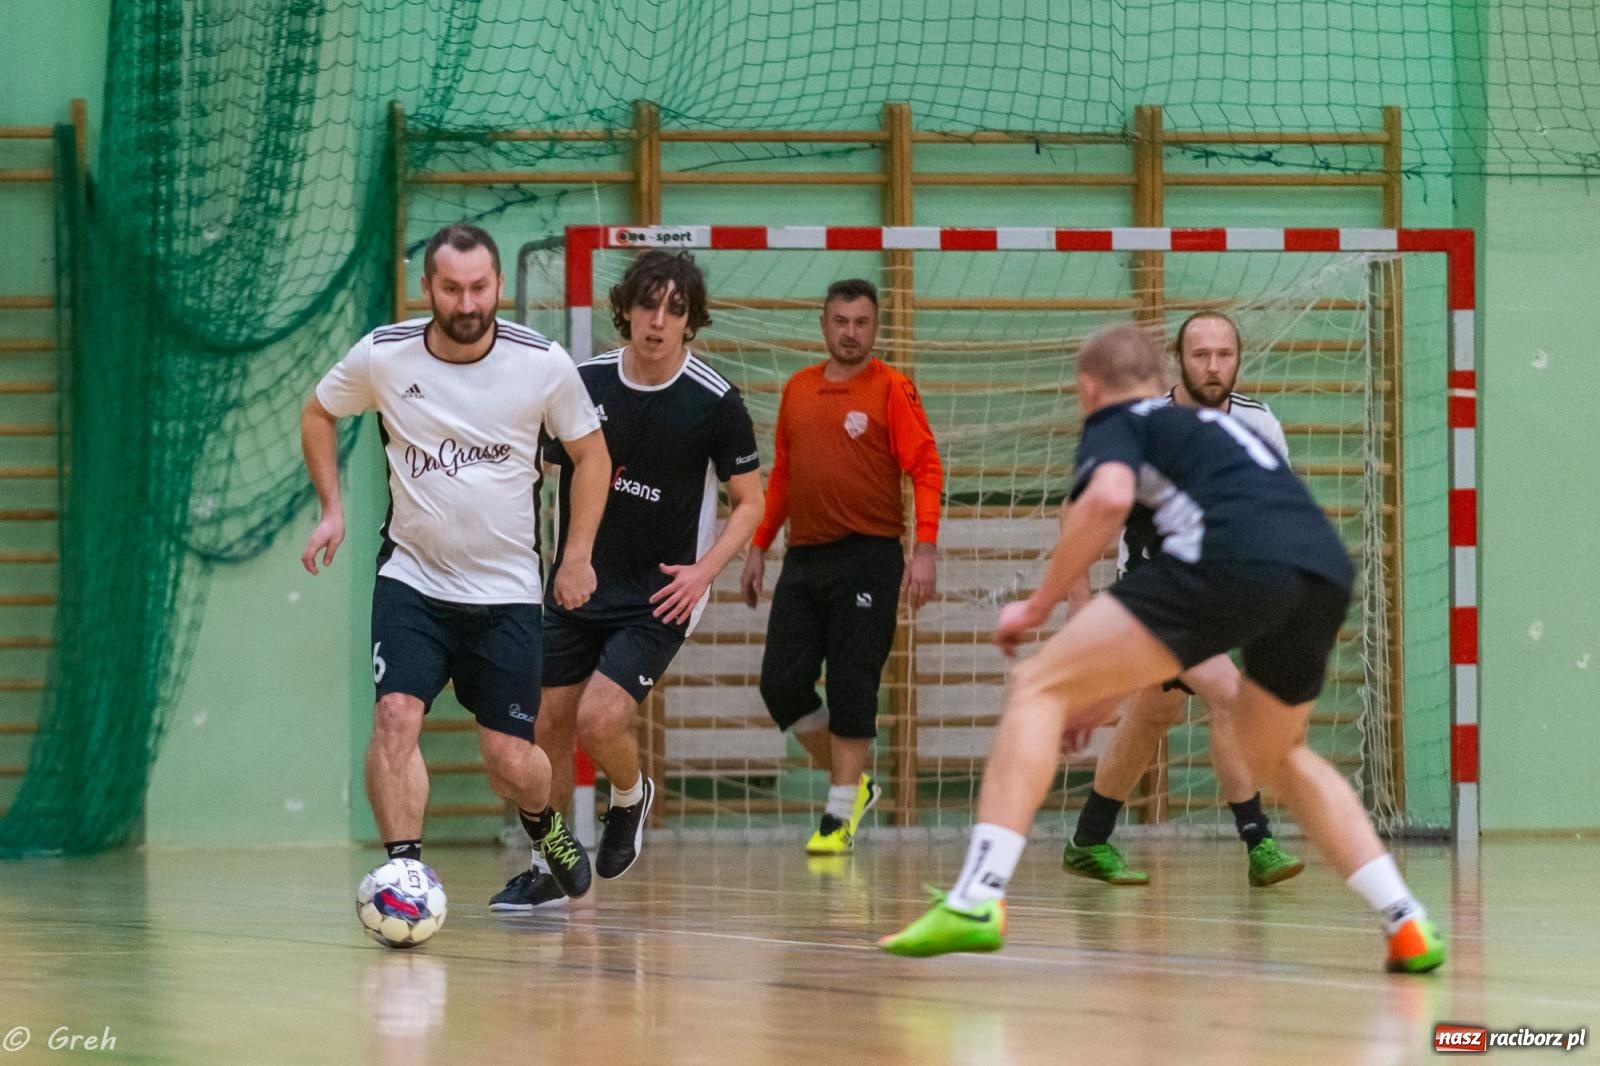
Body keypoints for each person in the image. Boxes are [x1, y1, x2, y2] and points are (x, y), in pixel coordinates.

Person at [879, 323, 1445, 974]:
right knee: (1280, 755)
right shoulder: (1228, 427)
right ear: (1161, 373)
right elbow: (1190, 619)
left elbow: (1109, 499)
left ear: (1088, 388)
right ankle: (1405, 920)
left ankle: (978, 897)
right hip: (1319, 570)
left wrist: (1037, 606)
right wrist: (1106, 684)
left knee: (1036, 685)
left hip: (1223, 562)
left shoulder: (1122, 419)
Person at [300, 223, 609, 905]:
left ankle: (542, 820)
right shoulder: (385, 355)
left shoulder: (542, 363)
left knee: (508, 760)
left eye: (479, 287)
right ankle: (404, 874)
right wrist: (332, 508)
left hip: (504, 593)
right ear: (428, 288)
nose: (466, 303)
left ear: (497, 285)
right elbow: (319, 412)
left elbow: (593, 456)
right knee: (396, 717)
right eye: (451, 288)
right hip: (413, 578)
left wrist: (576, 554)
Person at [491, 250, 764, 911]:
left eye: (674, 308)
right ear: (626, 311)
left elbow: (749, 501)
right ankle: (549, 867)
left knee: (598, 717)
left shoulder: (715, 400)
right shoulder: (582, 383)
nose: (658, 320)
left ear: (691, 320)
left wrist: (704, 573)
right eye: (648, 304)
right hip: (577, 584)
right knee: (545, 724)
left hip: (660, 591)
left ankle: (628, 795)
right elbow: (550, 469)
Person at [1062, 312, 1304, 888]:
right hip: (1151, 599)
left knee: (1151, 716)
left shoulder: (1259, 426)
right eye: (1201, 355)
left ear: (1238, 359)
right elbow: (1077, 510)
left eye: (1224, 354)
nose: (1213, 366)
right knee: (1229, 695)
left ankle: (1089, 840)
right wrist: (1077, 598)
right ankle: (1258, 841)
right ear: (1178, 360)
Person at [739, 278, 944, 855]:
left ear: (875, 328)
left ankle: (838, 815)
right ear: (823, 324)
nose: (850, 332)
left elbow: (926, 470)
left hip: (870, 556)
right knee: (781, 683)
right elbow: (783, 475)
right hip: (804, 558)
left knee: (854, 684)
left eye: (861, 322)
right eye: (840, 321)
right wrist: (758, 544)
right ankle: (854, 786)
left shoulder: (892, 389)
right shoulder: (798, 389)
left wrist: (924, 550)